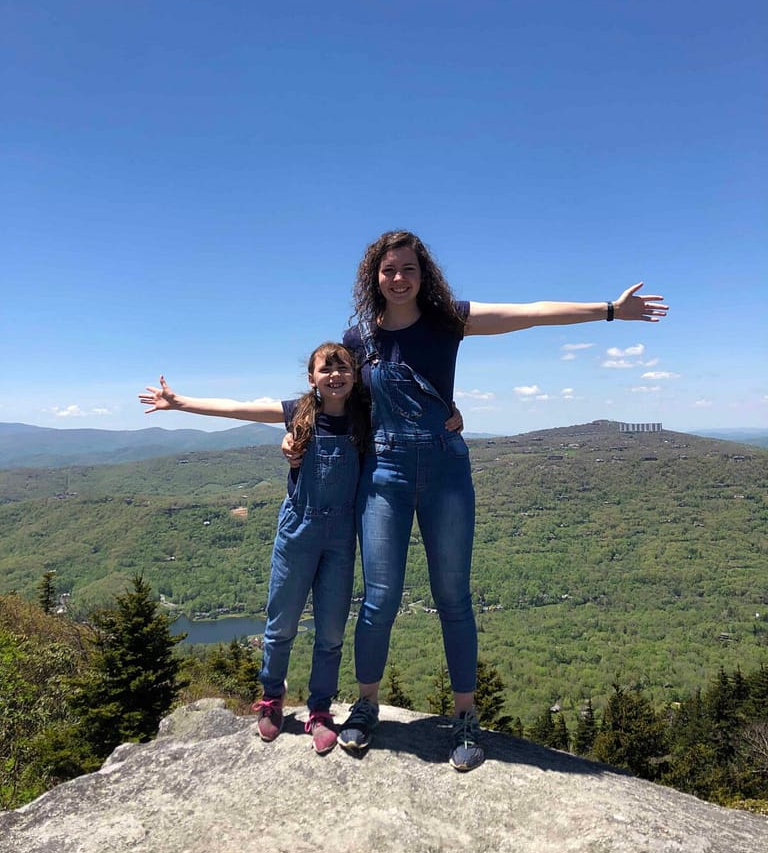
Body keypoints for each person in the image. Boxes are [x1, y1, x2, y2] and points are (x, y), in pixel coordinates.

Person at [332, 229, 668, 772]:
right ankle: (367, 705)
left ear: (424, 275)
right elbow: (336, 403)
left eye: (409, 269)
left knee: (453, 597)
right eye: (389, 269)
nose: (399, 278)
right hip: (384, 473)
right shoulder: (356, 340)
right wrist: (296, 435)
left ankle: (465, 716)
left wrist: (609, 309)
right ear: (375, 275)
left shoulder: (447, 320)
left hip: (444, 468)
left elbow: (529, 313)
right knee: (378, 598)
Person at [138, 342, 370, 754]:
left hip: (340, 536)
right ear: (311, 378)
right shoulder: (298, 413)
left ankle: (319, 710)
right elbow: (237, 408)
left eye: (343, 369)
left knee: (331, 631)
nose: (335, 375)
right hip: (298, 529)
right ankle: (271, 700)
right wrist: (179, 403)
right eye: (325, 369)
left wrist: (451, 416)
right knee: (281, 624)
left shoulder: (364, 418)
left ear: (354, 376)